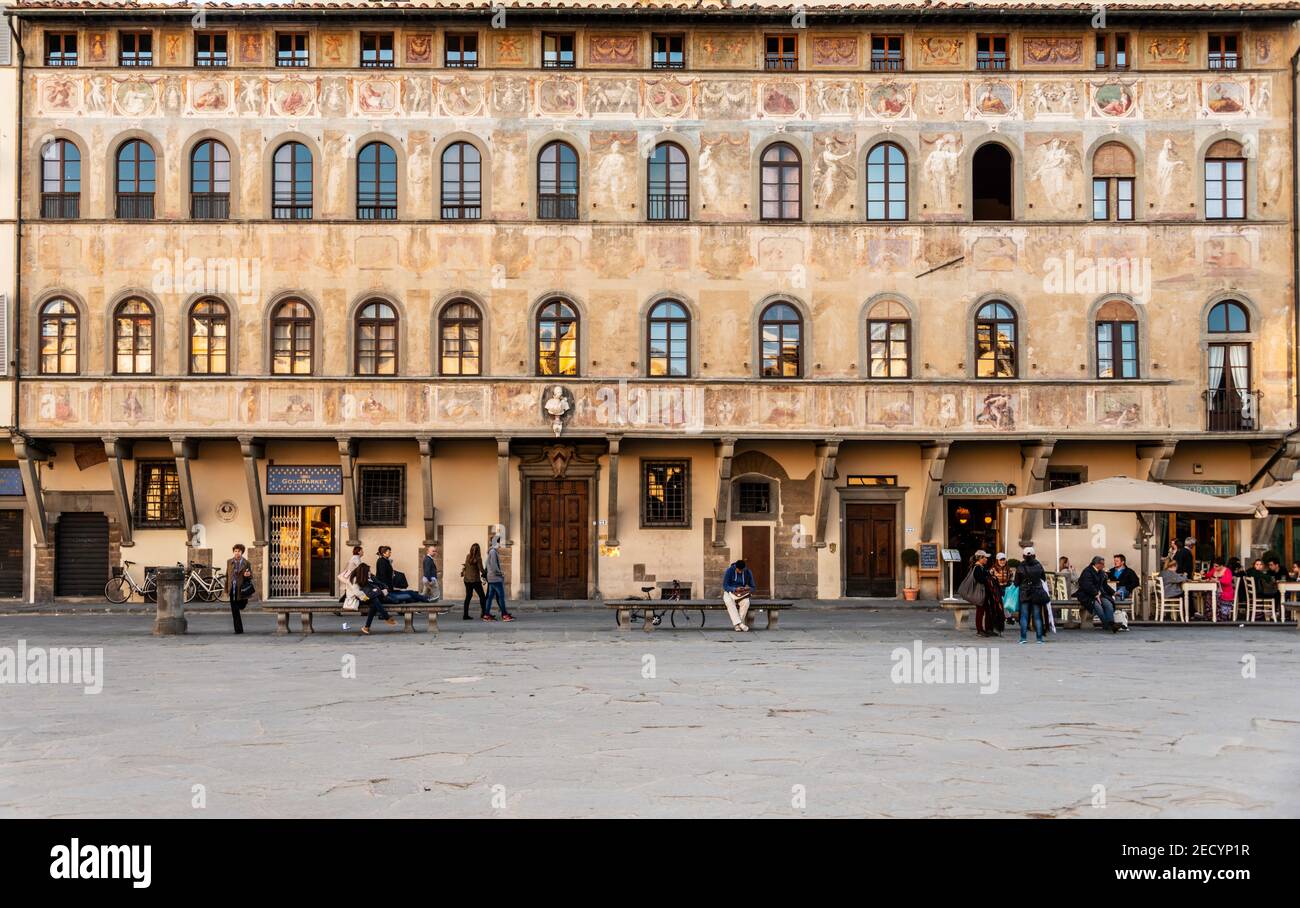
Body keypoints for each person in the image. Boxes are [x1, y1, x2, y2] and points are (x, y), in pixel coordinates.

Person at [1015, 546, 1050, 644]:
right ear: (1035, 555)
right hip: (1037, 593)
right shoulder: (1039, 565)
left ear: (1023, 556)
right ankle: (1039, 639)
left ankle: (1023, 638)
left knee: (1024, 616)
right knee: (1037, 616)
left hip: (1024, 593)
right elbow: (1043, 578)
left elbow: (1016, 582)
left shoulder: (1020, 566)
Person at [1077, 555, 1119, 632]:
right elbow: (1087, 585)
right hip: (1087, 595)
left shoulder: (1101, 573)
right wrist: (1095, 594)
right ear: (1097, 564)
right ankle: (1108, 625)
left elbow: (1105, 585)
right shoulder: (1087, 571)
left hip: (1099, 595)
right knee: (1098, 607)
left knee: (1108, 604)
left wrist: (1114, 592)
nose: (1104, 566)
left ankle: (1111, 623)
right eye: (1102, 564)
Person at [353, 563, 396, 635]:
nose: (370, 572)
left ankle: (367, 627)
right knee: (374, 600)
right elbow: (359, 594)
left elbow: (372, 589)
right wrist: (375, 594)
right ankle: (386, 617)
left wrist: (377, 592)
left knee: (374, 603)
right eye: (368, 571)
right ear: (364, 572)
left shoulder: (365, 578)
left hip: (368, 597)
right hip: (358, 599)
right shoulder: (355, 580)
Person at [967, 550, 1000, 638]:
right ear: (980, 558)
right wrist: (988, 577)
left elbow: (986, 576)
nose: (986, 559)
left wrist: (990, 574)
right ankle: (980, 630)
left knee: (989, 611)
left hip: (986, 593)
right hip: (980, 593)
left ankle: (988, 629)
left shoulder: (982, 567)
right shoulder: (976, 568)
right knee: (980, 612)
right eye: (985, 557)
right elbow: (980, 579)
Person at [483, 537, 514, 621]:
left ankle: (486, 615)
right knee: (501, 597)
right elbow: (494, 566)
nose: (500, 545)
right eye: (499, 542)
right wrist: (500, 573)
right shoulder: (493, 552)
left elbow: (487, 564)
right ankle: (504, 615)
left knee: (489, 597)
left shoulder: (491, 551)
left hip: (491, 578)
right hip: (495, 578)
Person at [721, 559, 756, 632]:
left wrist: (747, 589)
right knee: (729, 602)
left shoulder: (747, 572)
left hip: (742, 593)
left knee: (746, 602)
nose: (740, 572)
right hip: (729, 592)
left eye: (741, 570)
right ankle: (740, 624)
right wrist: (734, 589)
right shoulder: (729, 570)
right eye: (738, 570)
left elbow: (753, 587)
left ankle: (737, 625)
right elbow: (725, 585)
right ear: (735, 567)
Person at [226, 543, 254, 635]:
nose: (237, 553)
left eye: (239, 551)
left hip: (241, 589)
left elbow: (251, 575)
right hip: (232, 588)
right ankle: (238, 629)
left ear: (242, 552)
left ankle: (242, 604)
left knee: (241, 605)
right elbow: (227, 575)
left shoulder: (246, 563)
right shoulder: (229, 562)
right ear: (233, 552)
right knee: (234, 610)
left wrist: (248, 575)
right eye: (235, 551)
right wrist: (226, 588)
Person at [461, 543, 488, 621]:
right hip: (475, 580)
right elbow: (481, 569)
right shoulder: (478, 558)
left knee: (468, 597)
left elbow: (465, 566)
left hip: (467, 580)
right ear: (478, 550)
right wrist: (486, 573)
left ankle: (465, 615)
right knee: (482, 597)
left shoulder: (468, 556)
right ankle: (483, 614)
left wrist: (463, 572)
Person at [1207, 556, 1234, 620]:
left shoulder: (1227, 571)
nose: (1214, 567)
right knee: (1209, 594)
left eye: (1216, 566)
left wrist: (1218, 580)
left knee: (1214, 595)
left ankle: (1218, 615)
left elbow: (1227, 582)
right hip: (1217, 591)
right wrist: (1206, 575)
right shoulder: (1214, 570)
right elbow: (1208, 575)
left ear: (1221, 566)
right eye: (1214, 566)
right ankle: (1211, 615)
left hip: (1226, 592)